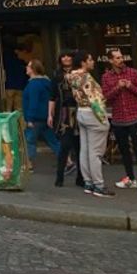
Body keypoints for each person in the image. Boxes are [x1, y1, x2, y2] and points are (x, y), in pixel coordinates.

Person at [102, 48, 137, 193]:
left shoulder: (132, 73)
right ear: (110, 60)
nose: (120, 60)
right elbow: (106, 97)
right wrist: (118, 87)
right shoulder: (106, 77)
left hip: (134, 117)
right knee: (124, 150)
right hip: (118, 119)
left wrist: (130, 86)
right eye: (116, 58)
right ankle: (130, 178)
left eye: (121, 57)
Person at [70, 51, 113, 198]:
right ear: (83, 62)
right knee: (96, 152)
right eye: (90, 59)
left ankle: (88, 182)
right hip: (92, 113)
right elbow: (95, 100)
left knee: (85, 150)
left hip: (81, 112)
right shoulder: (86, 77)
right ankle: (98, 185)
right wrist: (104, 120)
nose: (93, 61)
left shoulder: (72, 76)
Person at [50, 51, 84, 188]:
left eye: (68, 56)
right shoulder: (56, 75)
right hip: (63, 112)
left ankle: (80, 178)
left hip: (79, 110)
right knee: (64, 146)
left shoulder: (79, 73)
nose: (66, 58)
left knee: (79, 146)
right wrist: (50, 114)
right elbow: (52, 96)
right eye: (63, 56)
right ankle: (59, 177)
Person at [22, 59, 61, 169]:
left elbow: (33, 102)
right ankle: (66, 160)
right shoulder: (46, 82)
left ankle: (28, 164)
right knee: (52, 140)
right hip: (45, 116)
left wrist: (29, 118)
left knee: (30, 140)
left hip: (36, 118)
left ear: (33, 69)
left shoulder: (33, 84)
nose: (26, 68)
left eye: (28, 66)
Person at [2, 42, 27, 112]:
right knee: (19, 110)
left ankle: (7, 123)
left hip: (9, 86)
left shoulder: (5, 58)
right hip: (20, 87)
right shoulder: (21, 61)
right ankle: (20, 123)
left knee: (8, 110)